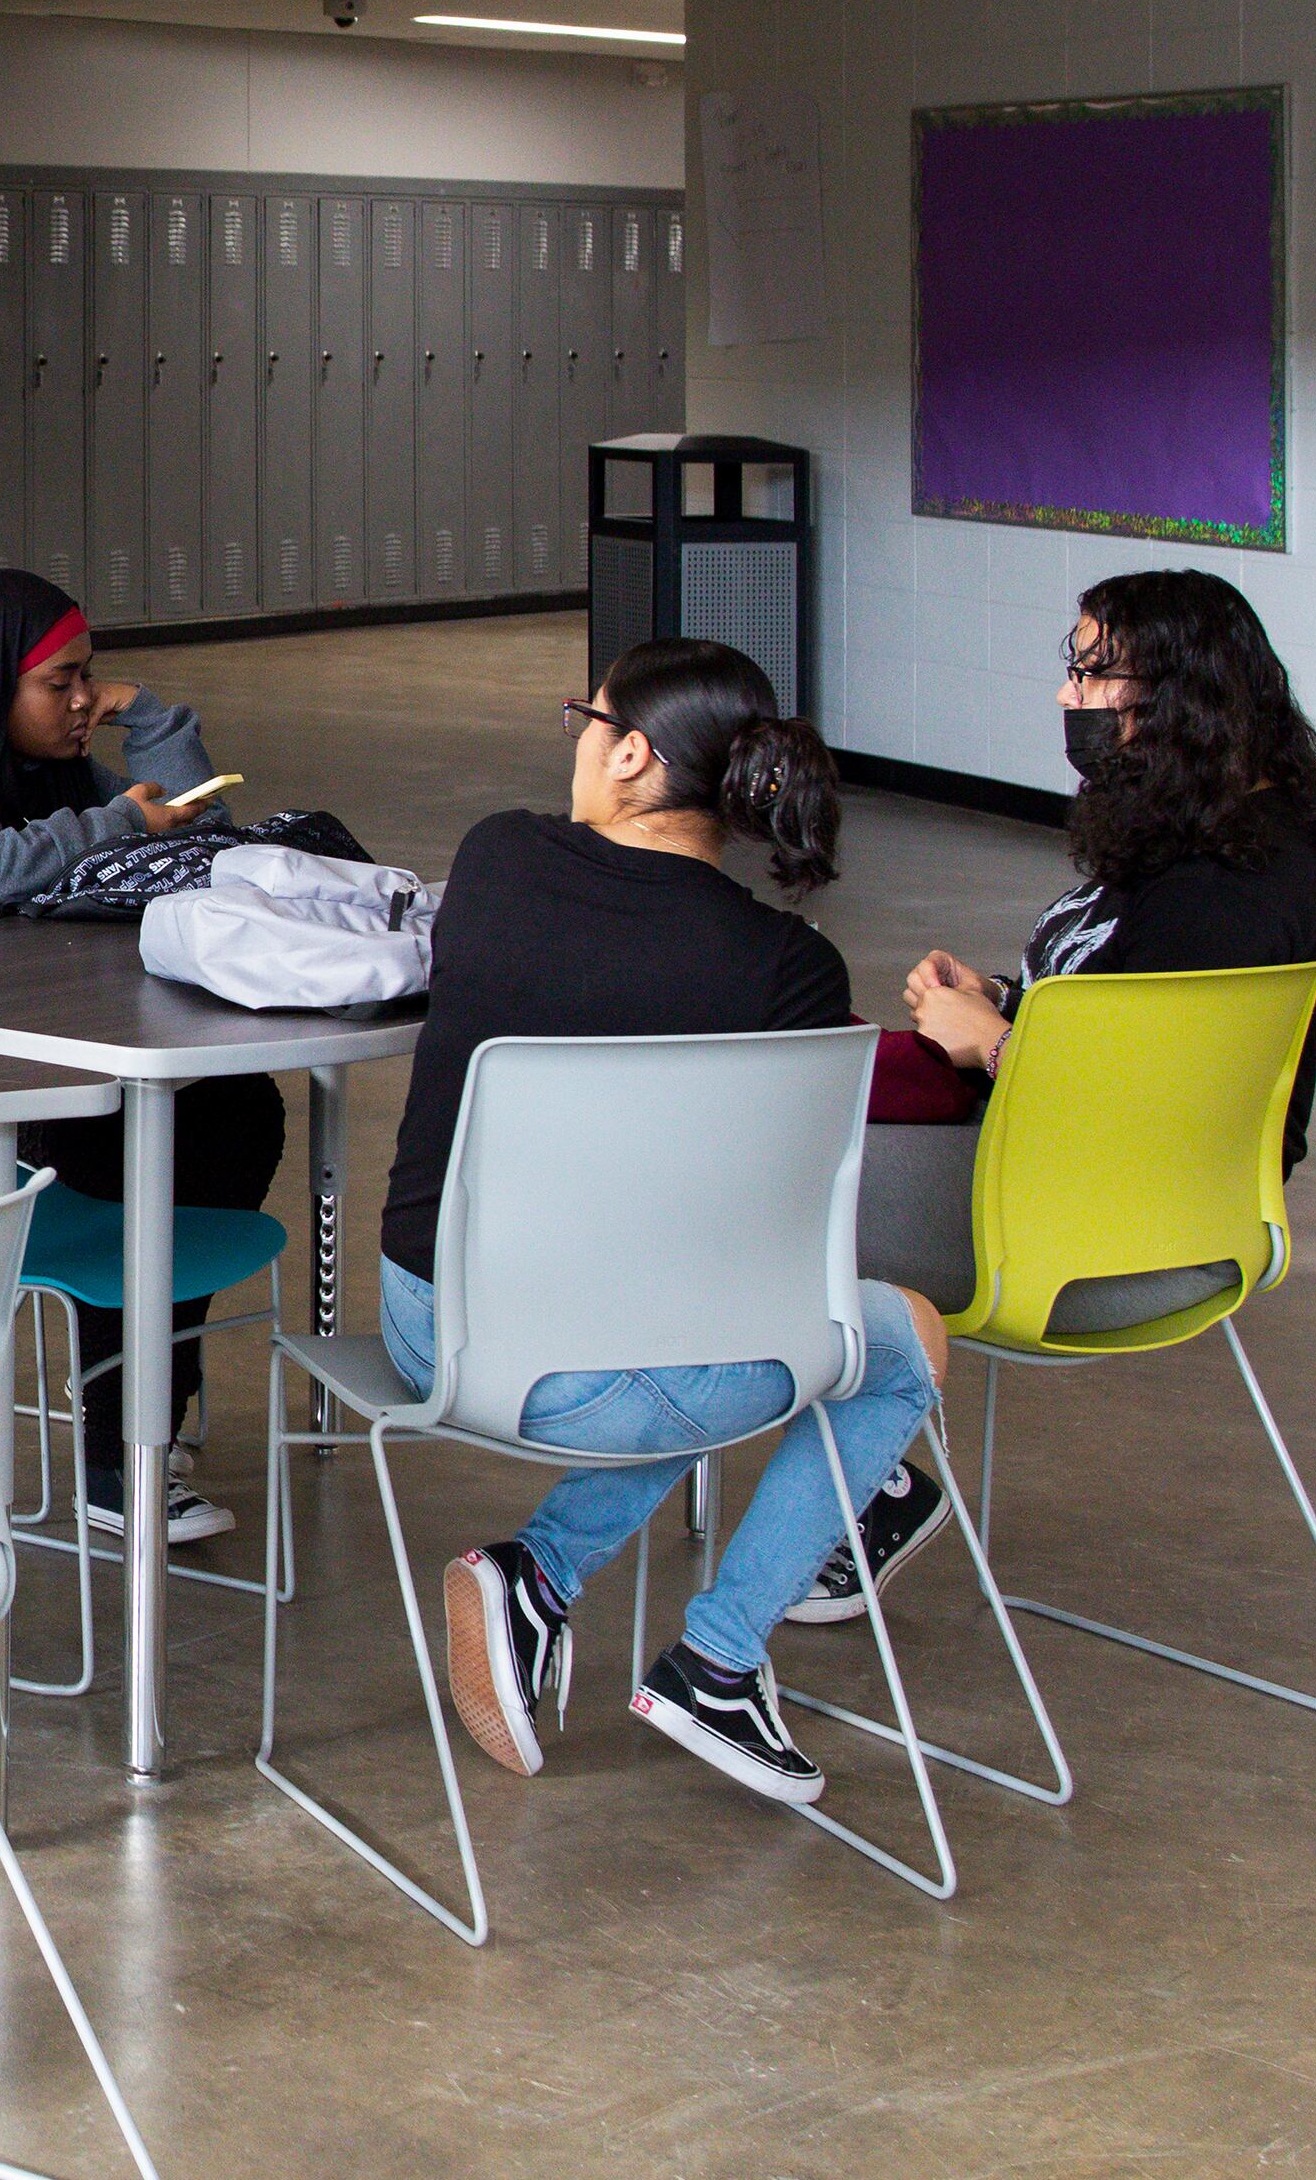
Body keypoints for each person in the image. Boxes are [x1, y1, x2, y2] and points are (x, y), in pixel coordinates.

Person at [382, 637, 950, 1809]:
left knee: (715, 1321)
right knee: (883, 1344)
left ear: (632, 754)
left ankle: (540, 1583)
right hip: (601, 1355)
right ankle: (713, 1657)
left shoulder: (497, 855)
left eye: (585, 722)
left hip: (429, 1319)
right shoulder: (786, 965)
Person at [816, 569, 1316, 1629]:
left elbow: (1127, 1114)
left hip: (1097, 1241)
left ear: (1178, 696)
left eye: (1091, 670)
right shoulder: (1204, 845)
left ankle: (872, 1485)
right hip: (1129, 1210)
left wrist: (996, 1046)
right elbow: (1137, 1034)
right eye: (1071, 668)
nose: (1068, 696)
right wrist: (1012, 1003)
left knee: (775, 1184)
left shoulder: (1225, 895)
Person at [0, 566, 276, 1546]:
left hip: (27, 1032)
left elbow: (195, 828)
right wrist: (121, 821)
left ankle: (148, 1402)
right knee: (130, 1142)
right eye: (59, 682)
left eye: (91, 678)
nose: (84, 700)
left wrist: (152, 714)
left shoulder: (45, 769)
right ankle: (125, 1448)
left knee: (233, 1106)